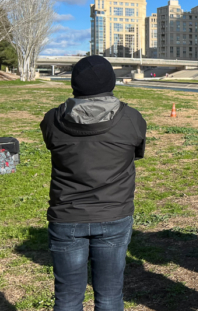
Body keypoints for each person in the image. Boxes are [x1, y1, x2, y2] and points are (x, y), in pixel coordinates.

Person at [40, 55, 147, 311]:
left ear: (74, 84)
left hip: (66, 216)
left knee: (66, 298)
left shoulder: (52, 120)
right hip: (113, 214)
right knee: (110, 296)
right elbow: (136, 152)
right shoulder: (131, 119)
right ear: (112, 82)